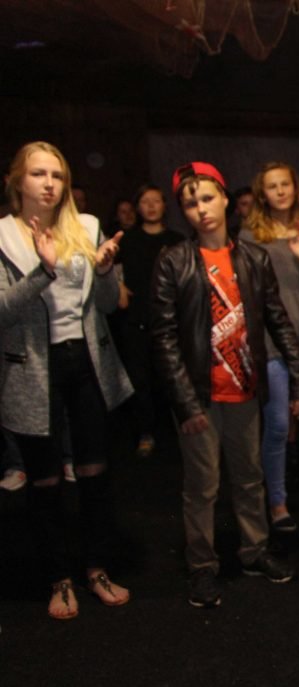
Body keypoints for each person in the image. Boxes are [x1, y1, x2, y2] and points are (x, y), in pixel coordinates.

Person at [151, 161, 299, 609]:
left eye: (207, 198)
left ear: (224, 198)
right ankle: (202, 565)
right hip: (200, 395)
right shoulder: (173, 261)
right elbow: (163, 338)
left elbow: (278, 321)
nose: (201, 209)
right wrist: (185, 403)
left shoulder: (254, 258)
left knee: (249, 478)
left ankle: (254, 550)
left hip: (244, 390)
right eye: (190, 203)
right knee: (203, 485)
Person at [0, 141, 133, 619]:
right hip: (32, 369)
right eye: (38, 174)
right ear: (18, 181)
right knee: (46, 481)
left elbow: (108, 303)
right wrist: (44, 270)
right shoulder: (3, 235)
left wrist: (106, 271)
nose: (49, 184)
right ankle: (58, 578)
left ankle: (96, 568)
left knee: (96, 474)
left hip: (87, 362)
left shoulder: (88, 226)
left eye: (57, 175)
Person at [241, 162, 299, 532]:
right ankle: (278, 501)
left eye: (286, 184)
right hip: (272, 337)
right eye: (272, 186)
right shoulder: (250, 235)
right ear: (262, 193)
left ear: (295, 190)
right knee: (279, 425)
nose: (280, 191)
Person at [113, 183, 184, 457]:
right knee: (140, 380)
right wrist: (118, 286)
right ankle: (146, 433)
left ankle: (181, 431)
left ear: (165, 206)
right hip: (136, 320)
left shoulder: (178, 240)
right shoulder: (127, 239)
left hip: (171, 321)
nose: (152, 206)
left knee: (172, 379)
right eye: (145, 201)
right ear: (138, 207)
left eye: (156, 201)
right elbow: (111, 269)